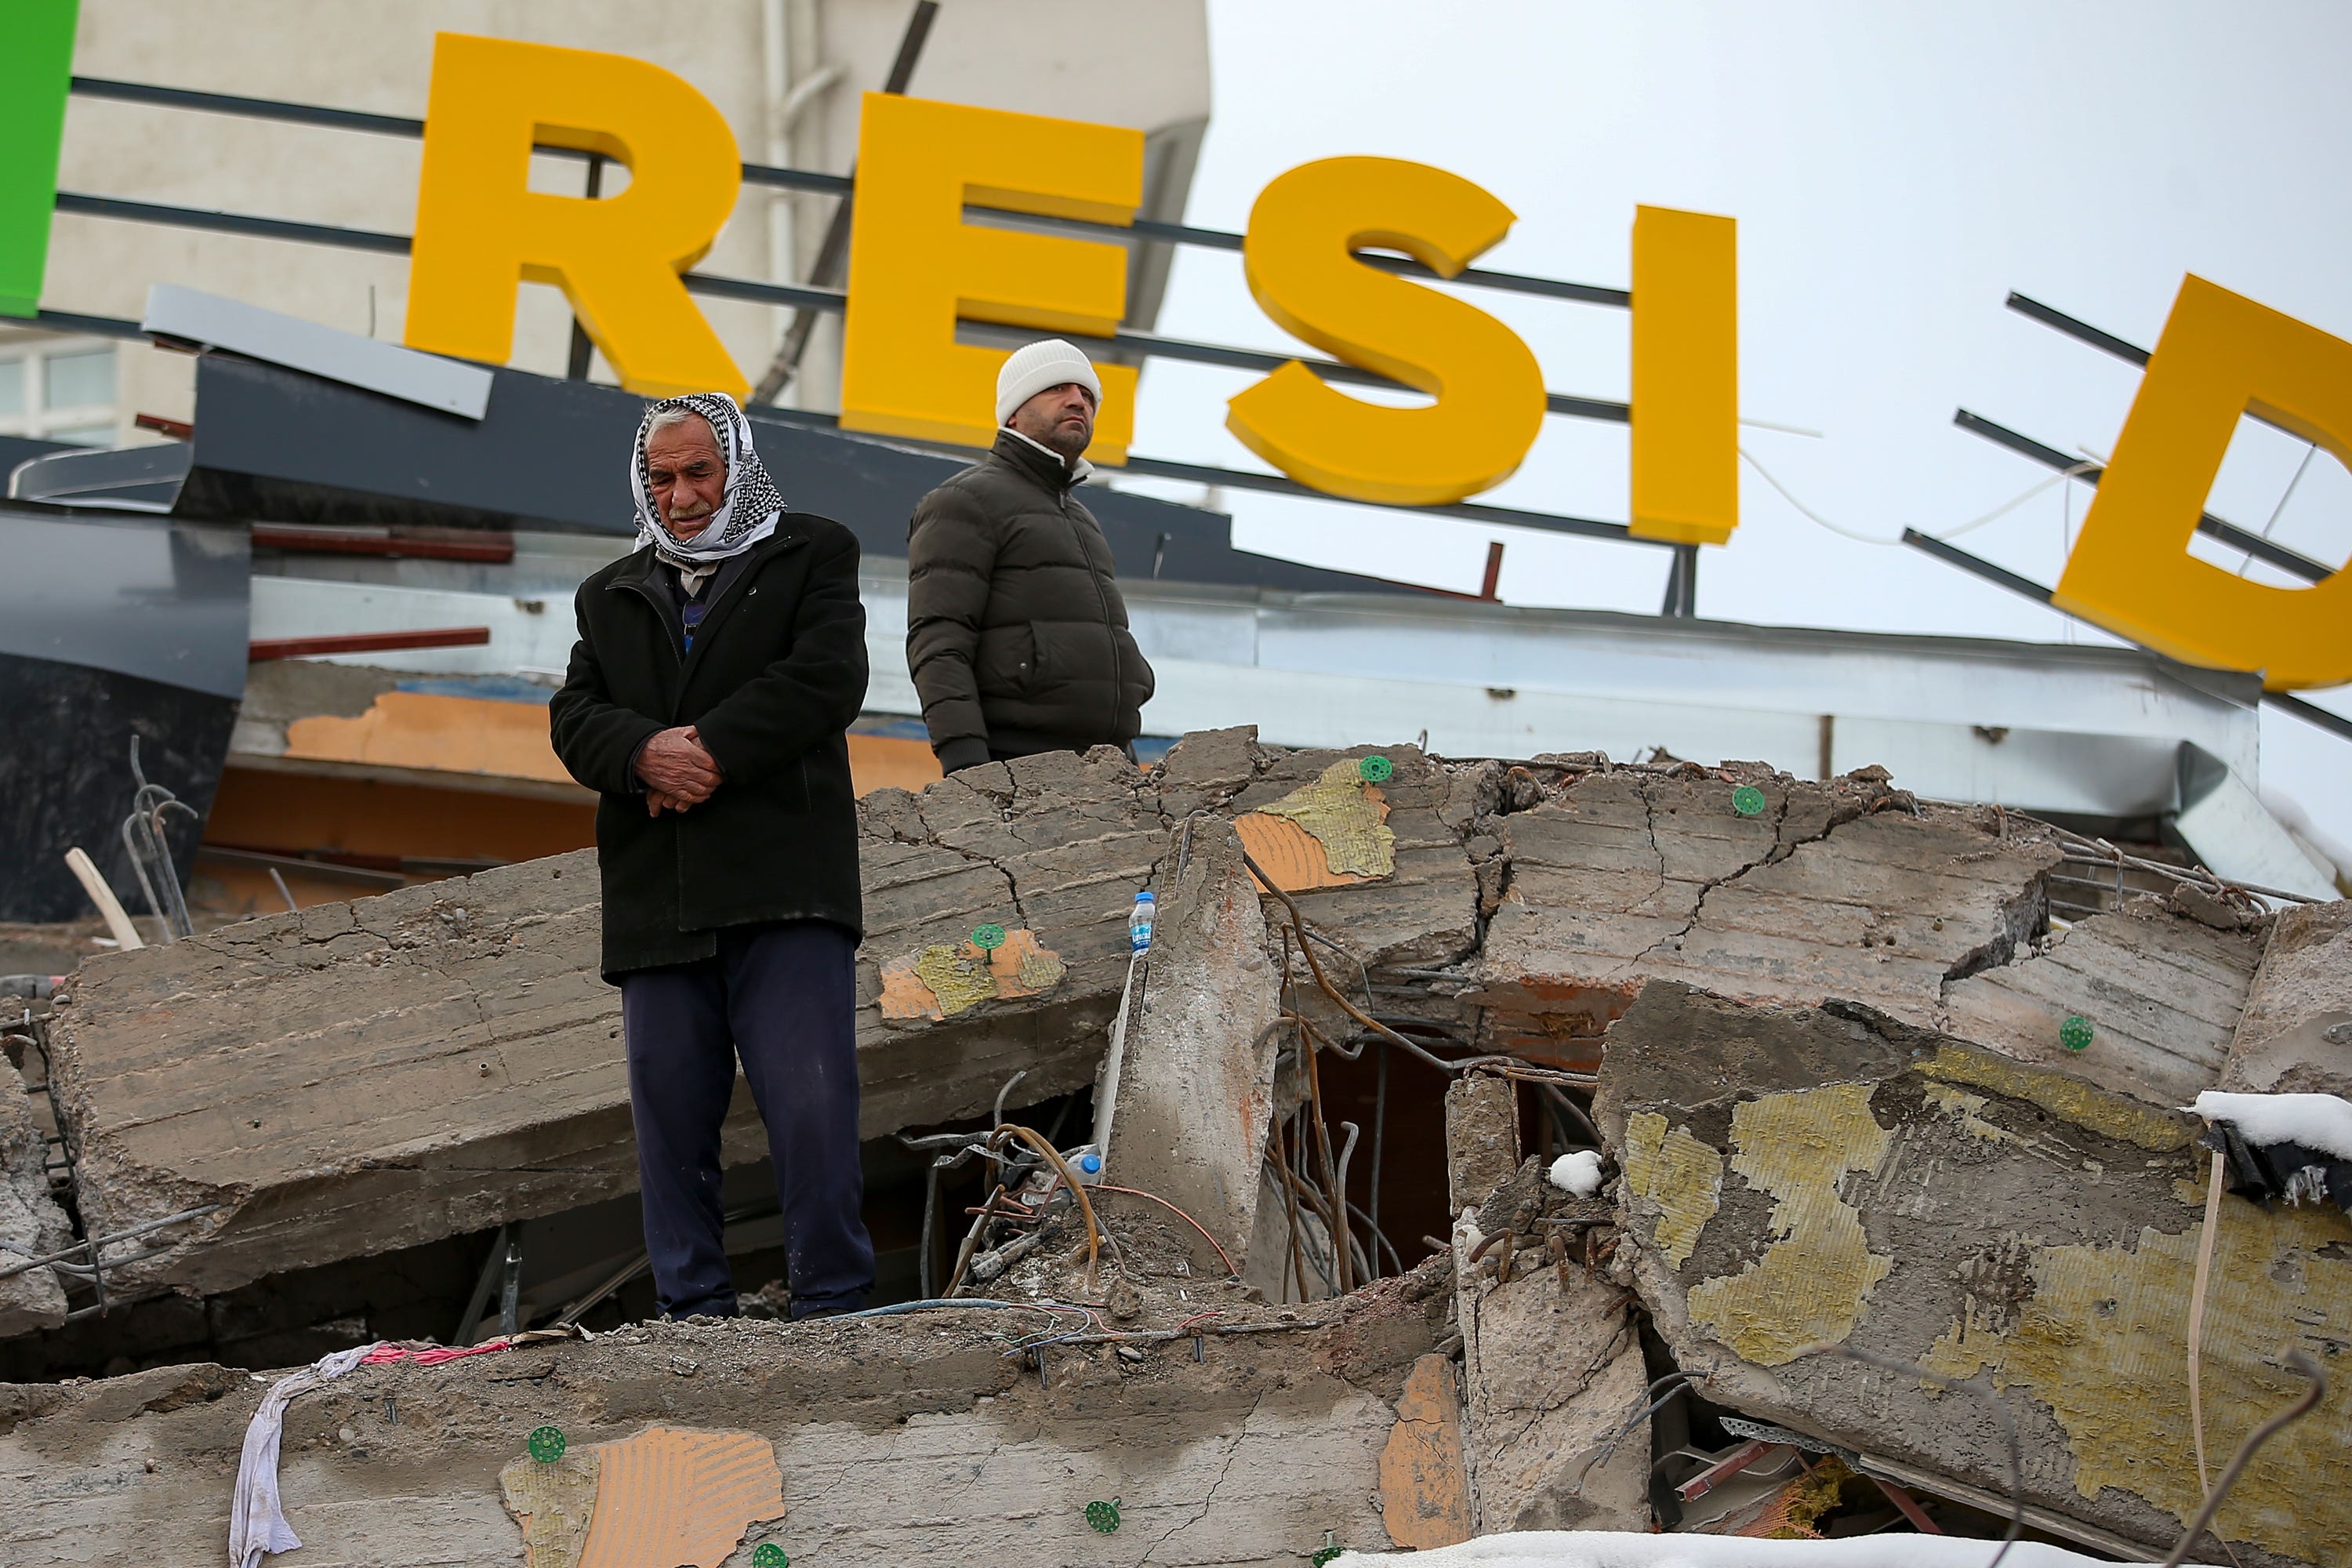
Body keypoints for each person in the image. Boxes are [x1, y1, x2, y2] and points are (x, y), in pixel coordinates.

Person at [549, 392, 874, 1321]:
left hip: (785, 888)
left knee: (811, 1107)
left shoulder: (813, 550)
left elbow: (824, 678)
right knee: (670, 1122)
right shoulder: (607, 591)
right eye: (663, 477)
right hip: (660, 899)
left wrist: (708, 752)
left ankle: (836, 1302)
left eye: (700, 471)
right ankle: (693, 1316)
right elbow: (575, 715)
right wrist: (640, 754)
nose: (682, 494)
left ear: (737, 467)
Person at [905, 337, 1156, 775]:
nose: (1078, 401)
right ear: (1015, 412)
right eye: (1058, 388)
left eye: (1087, 395)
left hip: (1107, 768)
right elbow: (938, 642)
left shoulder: (1083, 520)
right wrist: (967, 768)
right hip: (1017, 764)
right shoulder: (964, 501)